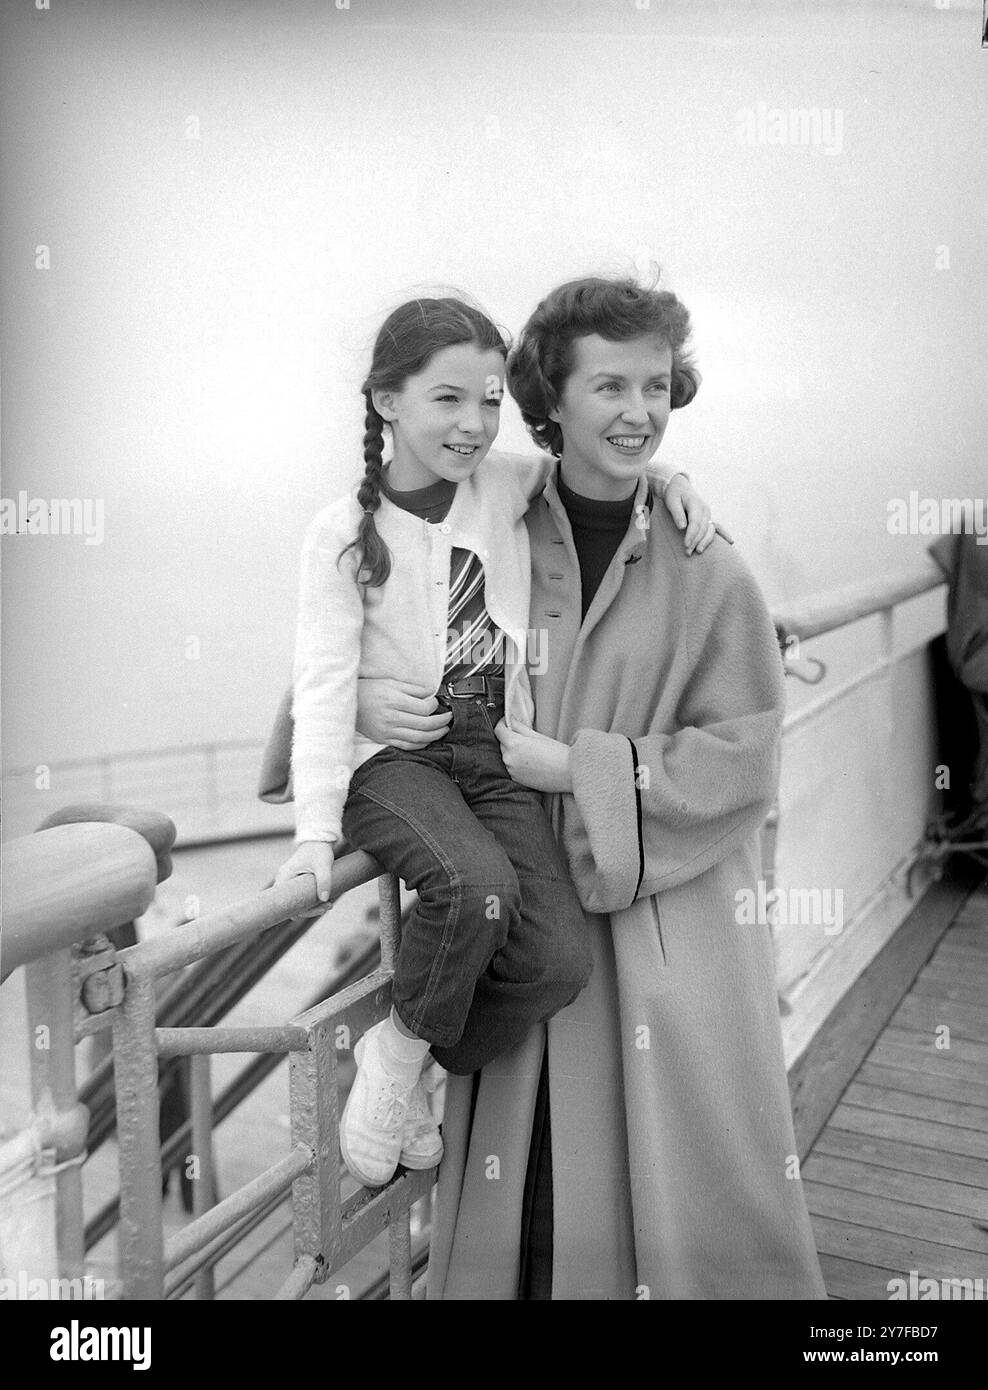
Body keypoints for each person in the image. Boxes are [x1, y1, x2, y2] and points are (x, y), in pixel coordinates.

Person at [358, 275, 827, 1299]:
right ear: (551, 400)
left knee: (684, 1200)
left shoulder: (710, 566)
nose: (639, 413)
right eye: (607, 386)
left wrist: (580, 770)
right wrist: (361, 702)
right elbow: (365, 618)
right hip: (536, 923)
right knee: (530, 1213)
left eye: (655, 386)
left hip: (673, 933)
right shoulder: (490, 531)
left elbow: (745, 755)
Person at [272, 295, 720, 1192]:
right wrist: (313, 839)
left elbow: (596, 471)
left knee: (557, 962)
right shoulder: (341, 535)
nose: (475, 423)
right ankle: (401, 1057)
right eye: (448, 400)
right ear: (387, 401)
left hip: (495, 753)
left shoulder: (506, 483)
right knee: (474, 887)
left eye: (487, 400)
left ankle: (409, 1052)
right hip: (393, 768)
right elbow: (322, 689)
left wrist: (671, 482)